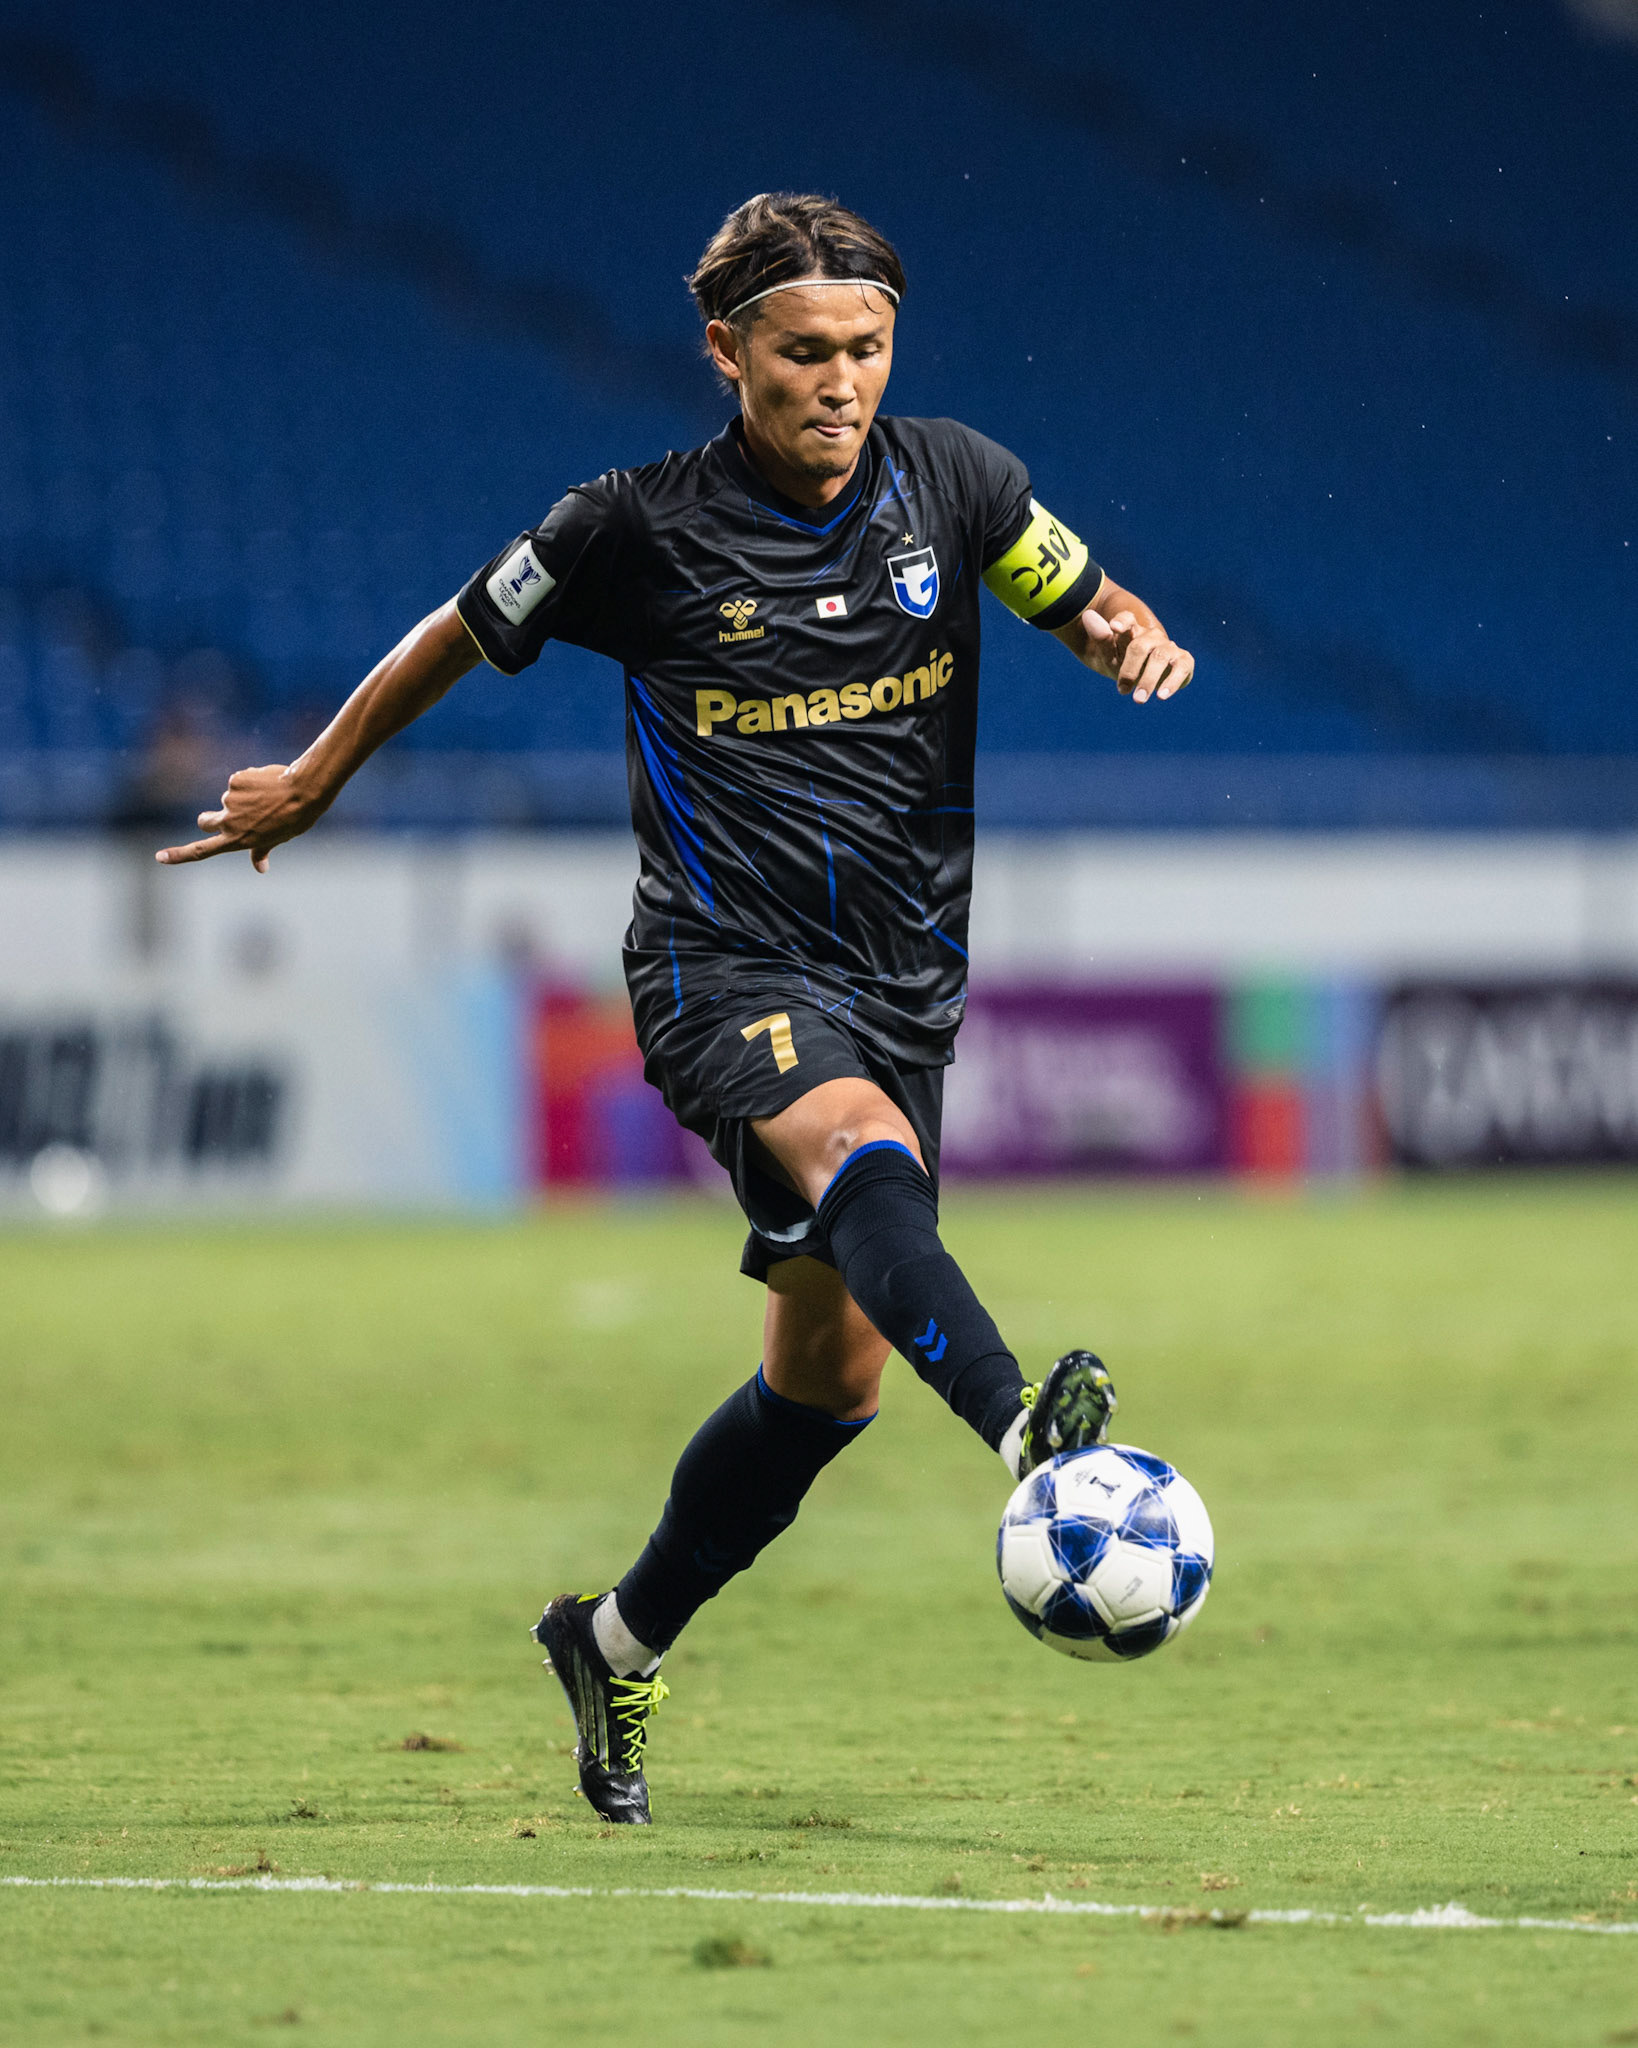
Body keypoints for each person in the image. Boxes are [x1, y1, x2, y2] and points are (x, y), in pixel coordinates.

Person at [157, 192, 1195, 1825]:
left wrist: (1126, 638)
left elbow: (1071, 589)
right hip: (720, 969)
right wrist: (312, 781)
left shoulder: (959, 479)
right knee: (858, 1152)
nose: (838, 379)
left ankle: (613, 1640)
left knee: (824, 1388)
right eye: (801, 353)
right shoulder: (627, 530)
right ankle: (1029, 1439)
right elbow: (453, 632)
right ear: (726, 354)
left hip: (905, 980)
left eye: (864, 348)